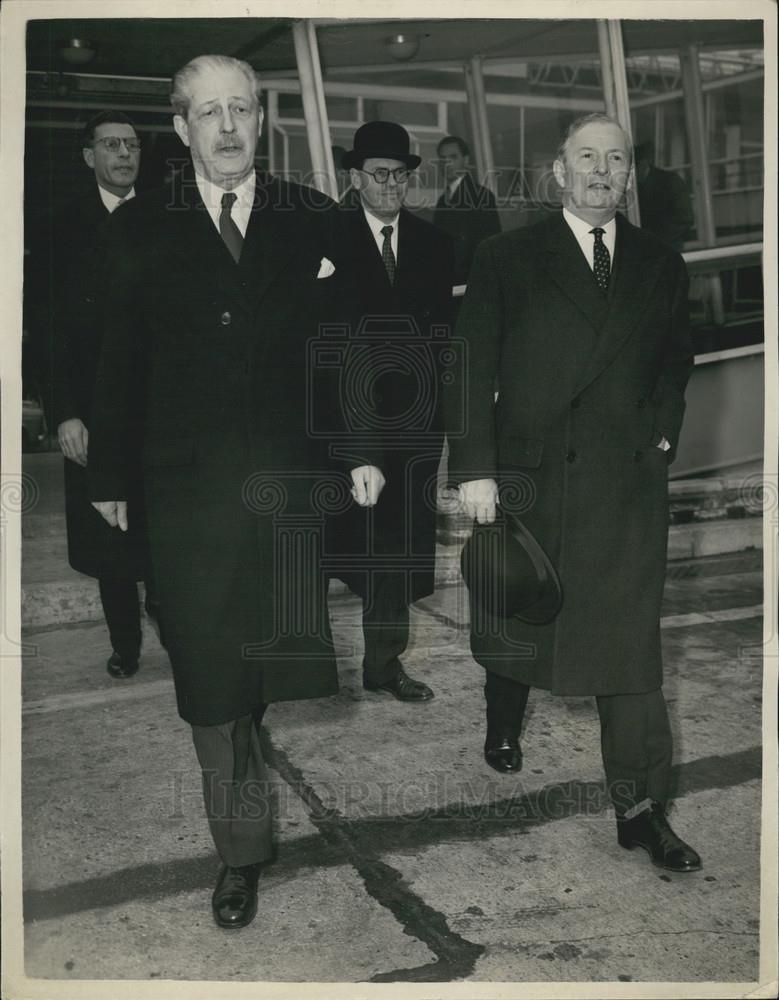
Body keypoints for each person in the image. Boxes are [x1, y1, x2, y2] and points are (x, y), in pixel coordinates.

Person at [88, 55, 377, 930]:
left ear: (262, 120)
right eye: (206, 113)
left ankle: (245, 806)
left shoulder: (311, 217)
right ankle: (241, 853)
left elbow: (354, 341)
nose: (225, 127)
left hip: (285, 485)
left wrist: (361, 447)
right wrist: (107, 478)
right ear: (179, 129)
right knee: (212, 678)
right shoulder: (144, 226)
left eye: (240, 110)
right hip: (187, 492)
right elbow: (117, 359)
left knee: (267, 665)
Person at [446, 113, 702, 873]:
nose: (600, 171)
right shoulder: (507, 256)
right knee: (518, 616)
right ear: (558, 173)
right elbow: (470, 365)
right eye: (585, 157)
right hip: (529, 480)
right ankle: (503, 720)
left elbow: (673, 365)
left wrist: (659, 435)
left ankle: (639, 809)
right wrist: (474, 469)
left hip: (624, 486)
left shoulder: (660, 262)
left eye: (614, 159)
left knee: (627, 652)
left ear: (629, 176)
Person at [325, 121, 454, 704]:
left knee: (399, 550)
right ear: (355, 178)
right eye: (380, 175)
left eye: (401, 175)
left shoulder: (433, 243)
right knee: (332, 545)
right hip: (341, 425)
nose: (392, 186)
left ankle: (384, 662)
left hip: (415, 427)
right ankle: (306, 668)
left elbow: (447, 338)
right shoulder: (322, 236)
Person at [38, 110, 157, 679]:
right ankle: (125, 643)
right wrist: (64, 413)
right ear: (89, 156)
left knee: (162, 523)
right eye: (111, 145)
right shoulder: (61, 227)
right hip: (92, 407)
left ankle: (177, 630)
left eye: (131, 144)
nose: (124, 154)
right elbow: (49, 329)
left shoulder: (168, 219)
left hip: (157, 406)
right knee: (108, 533)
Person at [433, 135, 501, 284]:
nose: (447, 163)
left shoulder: (482, 196)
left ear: (466, 160)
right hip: (446, 282)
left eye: (453, 157)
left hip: (470, 283)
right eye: (443, 159)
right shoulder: (442, 201)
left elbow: (491, 248)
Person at [634, 141, 694, 251]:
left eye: (633, 169)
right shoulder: (633, 189)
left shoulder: (670, 181)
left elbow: (685, 218)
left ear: (643, 164)